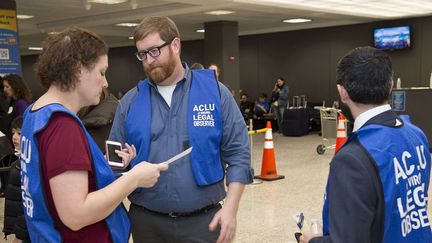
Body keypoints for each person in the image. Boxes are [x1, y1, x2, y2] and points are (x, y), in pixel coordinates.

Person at [109, 16, 253, 243]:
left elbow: (238, 154)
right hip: (147, 225)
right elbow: (113, 165)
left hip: (205, 223)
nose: (149, 60)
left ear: (175, 45)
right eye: (142, 54)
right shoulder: (130, 102)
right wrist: (125, 168)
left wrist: (231, 210)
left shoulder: (215, 93)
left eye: (155, 51)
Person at [20, 27, 168, 243]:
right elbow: (76, 215)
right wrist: (135, 178)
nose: (106, 82)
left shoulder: (35, 113)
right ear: (79, 70)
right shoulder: (61, 126)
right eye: (101, 72)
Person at [300, 46, 432, 243]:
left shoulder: (353, 158)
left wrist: (312, 240)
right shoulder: (416, 135)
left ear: (342, 92)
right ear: (390, 86)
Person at [2, 116, 30, 243]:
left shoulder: (28, 164)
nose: (14, 137)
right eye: (13, 132)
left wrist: (19, 235)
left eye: (19, 133)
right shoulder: (18, 162)